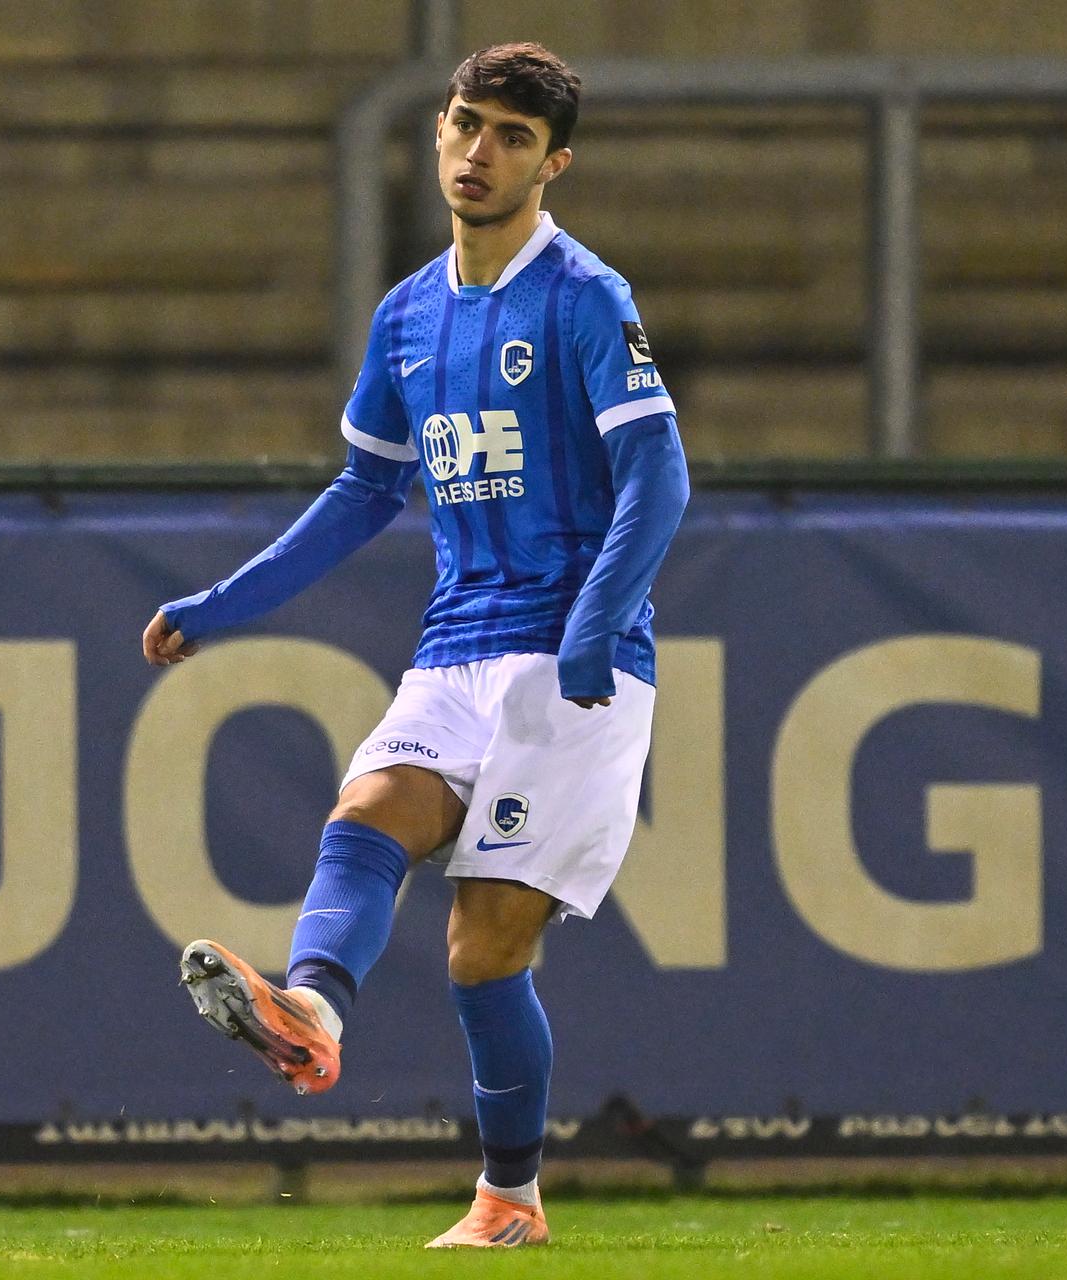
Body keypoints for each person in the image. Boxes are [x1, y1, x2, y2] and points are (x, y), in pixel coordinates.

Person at [142, 42, 690, 1249]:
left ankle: (510, 1196)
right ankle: (316, 1012)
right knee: (364, 814)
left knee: (483, 950)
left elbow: (659, 470)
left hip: (571, 660)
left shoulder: (585, 297)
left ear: (554, 162)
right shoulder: (407, 316)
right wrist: (223, 606)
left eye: (509, 135)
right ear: (437, 132)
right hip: (456, 647)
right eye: (464, 124)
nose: (478, 151)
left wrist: (602, 616)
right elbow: (358, 493)